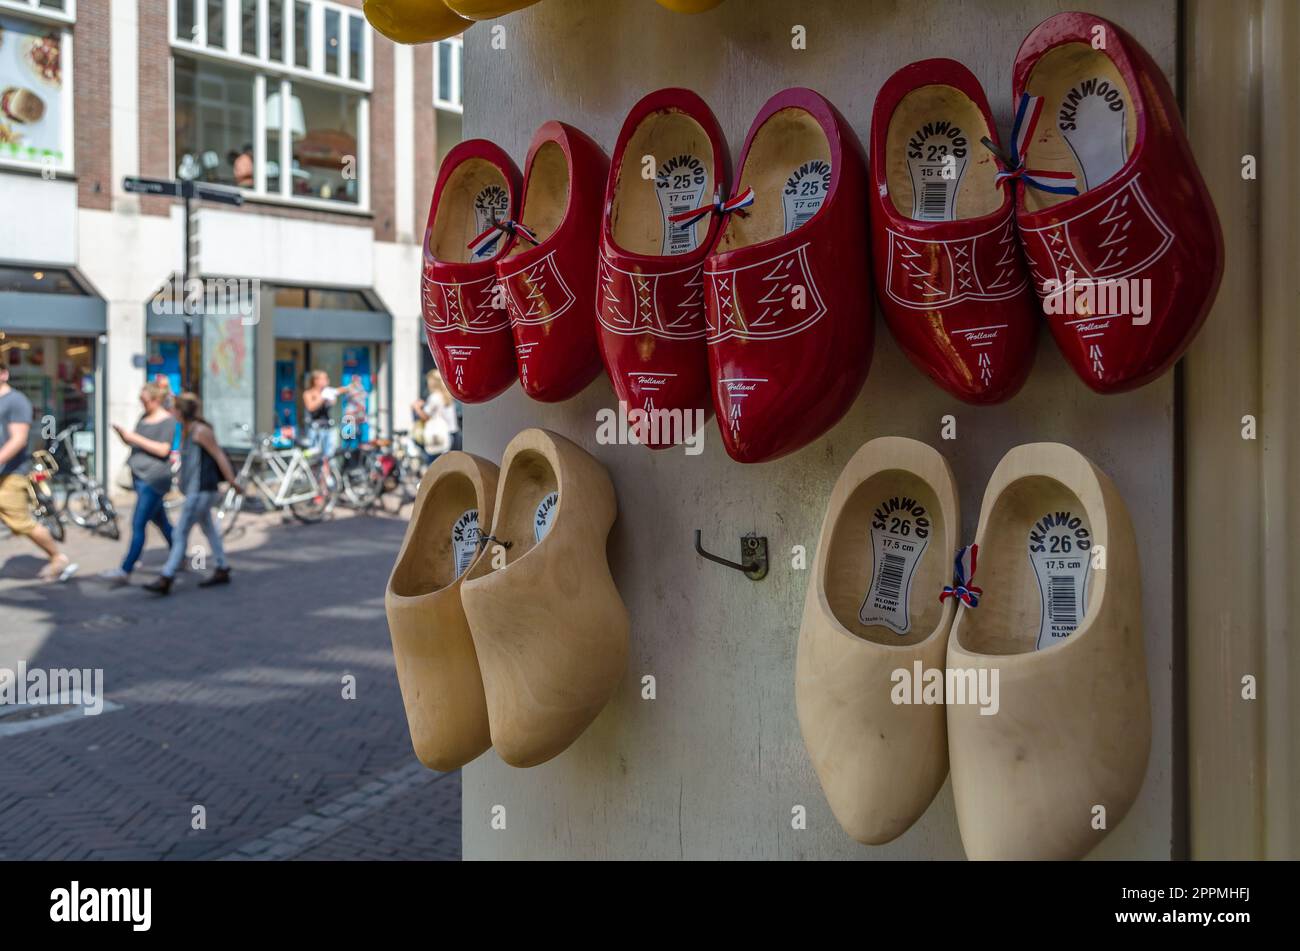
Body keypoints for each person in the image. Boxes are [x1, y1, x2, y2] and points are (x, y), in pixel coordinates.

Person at [143, 393, 242, 595]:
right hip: (198, 491)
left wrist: (233, 482)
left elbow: (219, 455)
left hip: (202, 491)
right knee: (209, 529)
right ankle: (222, 566)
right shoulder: (188, 430)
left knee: (180, 533)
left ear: (181, 412)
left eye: (175, 409)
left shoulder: (200, 431)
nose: (172, 412)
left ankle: (167, 576)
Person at [0, 364, 77, 581]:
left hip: (10, 474)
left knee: (20, 522)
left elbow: (18, 439)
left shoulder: (15, 401)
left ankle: (57, 557)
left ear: (4, 373)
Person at [100, 382, 178, 585]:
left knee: (138, 523)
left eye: (144, 401)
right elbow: (136, 442)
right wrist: (125, 436)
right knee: (162, 522)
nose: (142, 404)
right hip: (139, 475)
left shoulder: (167, 421)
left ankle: (125, 569)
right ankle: (181, 556)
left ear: (155, 399)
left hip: (154, 478)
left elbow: (163, 450)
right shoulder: (144, 417)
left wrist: (133, 437)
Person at [411, 369, 458, 460]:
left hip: (441, 436)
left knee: (436, 465)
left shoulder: (435, 397)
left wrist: (416, 407)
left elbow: (425, 416)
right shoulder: (447, 395)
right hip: (453, 434)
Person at [302, 370, 338, 459]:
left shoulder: (327, 392)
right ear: (315, 380)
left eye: (326, 379)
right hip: (315, 429)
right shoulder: (308, 393)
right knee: (314, 455)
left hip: (328, 427)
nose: (326, 381)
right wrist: (322, 396)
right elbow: (310, 407)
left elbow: (333, 402)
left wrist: (328, 392)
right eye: (323, 378)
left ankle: (326, 472)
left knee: (329, 455)